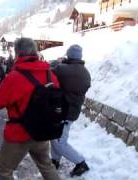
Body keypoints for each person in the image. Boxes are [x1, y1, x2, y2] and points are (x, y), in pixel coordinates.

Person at [0, 38, 61, 180]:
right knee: (46, 166)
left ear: (18, 54)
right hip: (42, 131)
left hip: (19, 133)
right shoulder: (50, 74)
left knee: (4, 169)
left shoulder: (15, 76)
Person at [50, 44, 91, 177]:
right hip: (73, 111)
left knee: (59, 142)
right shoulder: (86, 72)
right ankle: (55, 161)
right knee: (58, 137)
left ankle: (81, 163)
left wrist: (59, 63)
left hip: (63, 110)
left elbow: (50, 71)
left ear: (69, 55)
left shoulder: (62, 69)